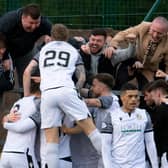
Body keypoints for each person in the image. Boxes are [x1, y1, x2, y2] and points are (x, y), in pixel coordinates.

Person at [39, 23, 103, 168]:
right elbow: (82, 76)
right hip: (66, 89)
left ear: (51, 36)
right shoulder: (73, 51)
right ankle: (111, 164)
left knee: (51, 141)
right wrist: (77, 91)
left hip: (47, 93)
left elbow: (28, 70)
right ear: (67, 37)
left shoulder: (43, 50)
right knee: (91, 130)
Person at [62, 73, 120, 168]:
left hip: (110, 151)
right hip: (99, 151)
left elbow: (96, 102)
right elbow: (86, 124)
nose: (92, 88)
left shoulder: (111, 100)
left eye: (94, 85)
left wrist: (71, 101)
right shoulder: (99, 103)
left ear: (102, 86)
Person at [101, 83, 158, 168]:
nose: (134, 99)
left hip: (140, 165)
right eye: (130, 96)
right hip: (117, 165)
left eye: (136, 96)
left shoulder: (144, 115)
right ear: (122, 97)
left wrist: (155, 166)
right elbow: (105, 145)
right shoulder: (111, 116)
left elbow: (150, 142)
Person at [108, 16, 168, 90]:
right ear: (150, 27)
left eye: (159, 33)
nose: (155, 35)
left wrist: (166, 76)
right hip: (132, 62)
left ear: (165, 33)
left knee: (149, 90)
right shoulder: (143, 27)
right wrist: (112, 45)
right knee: (122, 84)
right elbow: (123, 34)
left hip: (149, 69)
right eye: (153, 31)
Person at [0, 3, 52, 87]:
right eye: (31, 23)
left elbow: (58, 36)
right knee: (3, 81)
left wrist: (48, 39)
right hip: (7, 52)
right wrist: (5, 57)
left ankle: (28, 99)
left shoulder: (44, 23)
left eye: (37, 23)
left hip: (27, 52)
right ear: (23, 18)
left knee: (31, 80)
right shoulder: (8, 21)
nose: (34, 26)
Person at [0, 79, 41, 168]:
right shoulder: (38, 103)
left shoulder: (18, 102)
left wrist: (5, 120)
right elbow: (21, 128)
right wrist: (5, 124)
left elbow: (5, 119)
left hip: (6, 154)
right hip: (22, 154)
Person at [147, 79, 168, 168]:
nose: (153, 99)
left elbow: (157, 135)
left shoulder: (161, 109)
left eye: (153, 96)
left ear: (158, 93)